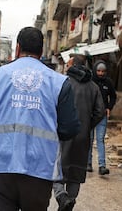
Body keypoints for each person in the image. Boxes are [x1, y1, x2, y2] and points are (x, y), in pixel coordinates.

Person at [0, 27, 80, 211]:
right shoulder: (59, 83)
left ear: (17, 48)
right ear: (41, 51)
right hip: (39, 169)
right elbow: (70, 128)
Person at [53, 55, 104, 211]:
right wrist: (87, 125)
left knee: (57, 169)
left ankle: (62, 196)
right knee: (76, 171)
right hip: (83, 136)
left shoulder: (63, 83)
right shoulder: (93, 87)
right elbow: (100, 111)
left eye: (68, 63)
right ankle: (70, 202)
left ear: (73, 65)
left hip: (63, 135)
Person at [87, 60, 117, 175]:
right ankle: (88, 163)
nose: (100, 73)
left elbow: (113, 97)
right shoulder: (90, 81)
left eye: (103, 71)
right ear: (95, 70)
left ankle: (102, 166)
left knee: (100, 140)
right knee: (89, 140)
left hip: (102, 116)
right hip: (90, 115)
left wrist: (109, 107)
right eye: (98, 71)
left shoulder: (108, 82)